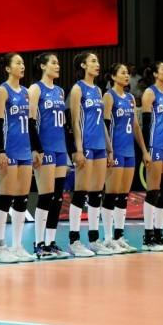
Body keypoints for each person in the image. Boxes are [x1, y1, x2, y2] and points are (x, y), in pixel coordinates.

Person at [0, 53, 42, 263]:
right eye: (17, 63)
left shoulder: (26, 92)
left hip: (24, 150)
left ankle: (17, 245)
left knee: (22, 197)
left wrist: (36, 149)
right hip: (9, 150)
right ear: (7, 68)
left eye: (23, 63)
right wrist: (0, 151)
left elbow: (31, 123)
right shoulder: (2, 90)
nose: (22, 66)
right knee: (5, 196)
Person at [67, 52, 113, 257]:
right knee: (81, 191)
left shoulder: (98, 90)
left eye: (97, 61)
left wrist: (109, 147)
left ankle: (94, 240)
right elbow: (75, 121)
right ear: (83, 65)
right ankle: (74, 241)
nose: (97, 64)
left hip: (100, 145)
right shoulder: (78, 89)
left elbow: (101, 121)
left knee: (96, 192)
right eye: (93, 61)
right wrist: (78, 149)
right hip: (85, 145)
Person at [102, 63, 150, 254]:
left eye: (128, 73)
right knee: (111, 193)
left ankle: (118, 236)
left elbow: (136, 126)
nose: (126, 75)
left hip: (130, 151)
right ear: (113, 77)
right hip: (115, 150)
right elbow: (105, 125)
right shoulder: (109, 96)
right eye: (122, 73)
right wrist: (109, 150)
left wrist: (144, 150)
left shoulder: (130, 98)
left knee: (123, 195)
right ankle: (107, 238)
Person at [28, 53, 70, 259]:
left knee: (57, 197)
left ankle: (51, 242)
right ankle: (39, 244)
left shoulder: (60, 91)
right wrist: (36, 149)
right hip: (45, 148)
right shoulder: (36, 89)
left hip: (60, 148)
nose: (57, 65)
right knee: (45, 196)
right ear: (43, 66)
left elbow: (64, 124)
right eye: (53, 62)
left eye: (58, 62)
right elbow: (30, 121)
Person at [141, 61, 163, 252]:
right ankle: (148, 237)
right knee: (153, 190)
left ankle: (159, 233)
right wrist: (146, 150)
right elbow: (146, 124)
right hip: (156, 145)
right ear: (155, 74)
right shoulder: (150, 93)